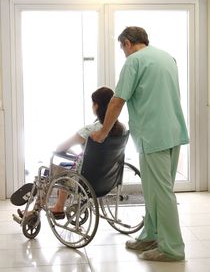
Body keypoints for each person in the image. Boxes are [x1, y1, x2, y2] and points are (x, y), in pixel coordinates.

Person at [91, 26, 189, 262]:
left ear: (127, 43)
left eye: (122, 47)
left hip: (153, 136)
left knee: (160, 193)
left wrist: (104, 131)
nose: (123, 52)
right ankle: (151, 235)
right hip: (173, 131)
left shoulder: (134, 61)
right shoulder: (167, 58)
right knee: (156, 191)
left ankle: (172, 248)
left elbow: (117, 100)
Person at [17, 86, 125, 220]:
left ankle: (34, 212)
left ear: (97, 106)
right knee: (67, 165)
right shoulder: (121, 130)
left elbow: (60, 148)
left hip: (83, 181)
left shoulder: (90, 130)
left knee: (47, 172)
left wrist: (67, 150)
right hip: (107, 179)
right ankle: (58, 207)